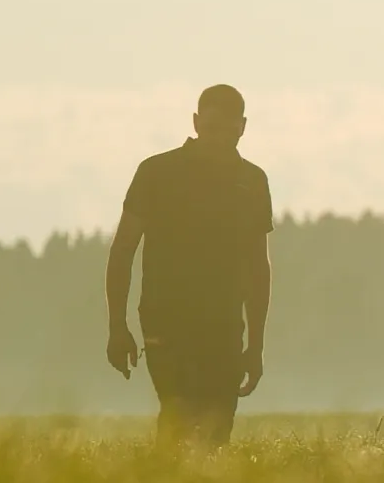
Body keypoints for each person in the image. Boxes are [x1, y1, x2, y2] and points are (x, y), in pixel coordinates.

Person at [104, 85, 275, 446]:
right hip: (165, 318)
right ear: (196, 123)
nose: (217, 139)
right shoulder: (156, 173)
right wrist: (117, 326)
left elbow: (257, 268)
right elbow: (123, 250)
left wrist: (256, 345)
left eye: (227, 130)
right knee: (179, 414)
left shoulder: (253, 181)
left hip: (223, 322)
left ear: (242, 127)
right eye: (211, 128)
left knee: (217, 428)